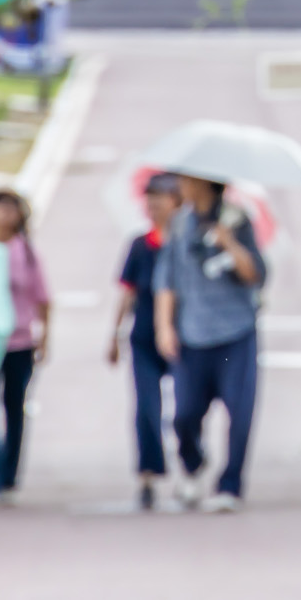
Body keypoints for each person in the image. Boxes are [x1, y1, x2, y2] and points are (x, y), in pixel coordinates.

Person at [154, 173, 266, 512]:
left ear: (204, 183)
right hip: (192, 335)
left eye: (187, 181)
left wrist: (228, 241)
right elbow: (167, 279)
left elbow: (256, 274)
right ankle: (192, 463)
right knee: (184, 413)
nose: (181, 187)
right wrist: (164, 327)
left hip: (235, 333)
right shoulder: (179, 225)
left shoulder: (236, 219)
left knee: (240, 412)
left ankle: (230, 485)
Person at [0, 190, 51, 509]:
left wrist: (45, 335)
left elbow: (43, 296)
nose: (5, 215)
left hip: (18, 340)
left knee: (14, 407)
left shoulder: (25, 252)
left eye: (11, 209)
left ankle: (8, 476)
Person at [110, 173, 181, 510]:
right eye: (149, 198)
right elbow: (128, 291)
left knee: (188, 408)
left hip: (186, 337)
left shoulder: (187, 244)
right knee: (147, 407)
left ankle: (192, 461)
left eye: (161, 197)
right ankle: (149, 473)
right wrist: (114, 334)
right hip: (144, 337)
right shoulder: (140, 245)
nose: (154, 205)